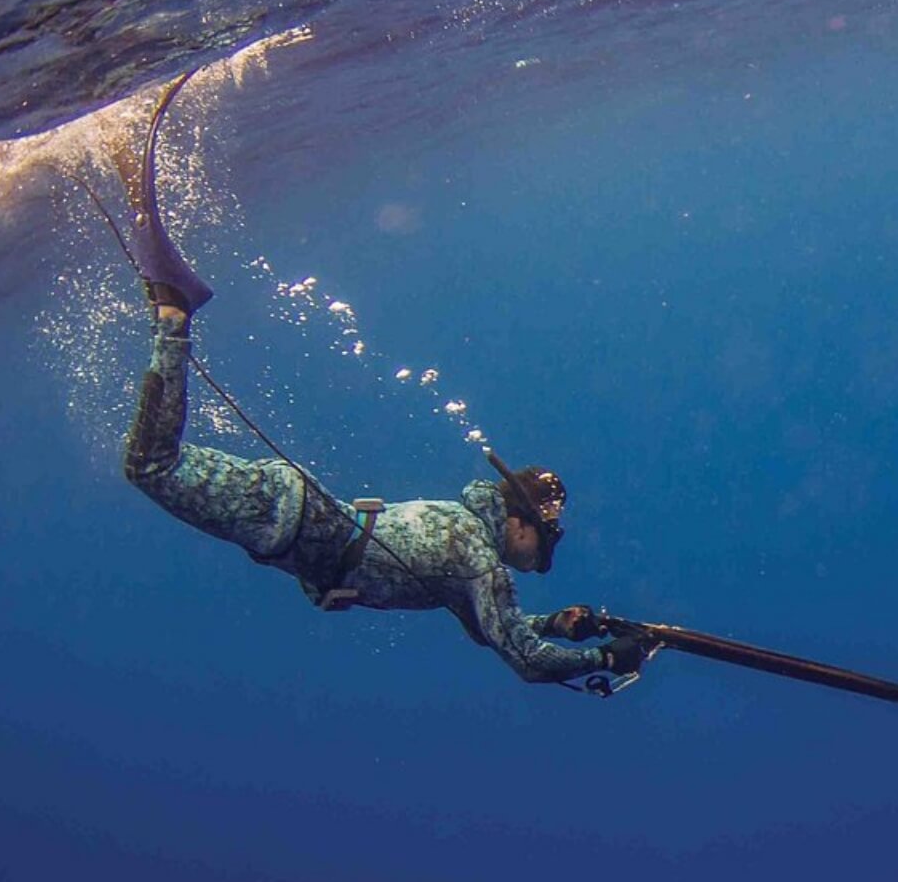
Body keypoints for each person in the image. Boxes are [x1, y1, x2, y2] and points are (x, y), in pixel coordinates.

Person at [116, 75, 651, 687]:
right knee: (151, 466)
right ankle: (174, 314)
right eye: (541, 546)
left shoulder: (466, 546)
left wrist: (560, 624)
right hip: (284, 517)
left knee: (152, 465)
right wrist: (604, 660)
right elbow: (522, 657)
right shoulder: (478, 559)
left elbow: (494, 628)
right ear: (519, 523)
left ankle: (161, 279)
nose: (537, 562)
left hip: (290, 514)